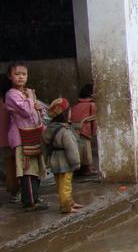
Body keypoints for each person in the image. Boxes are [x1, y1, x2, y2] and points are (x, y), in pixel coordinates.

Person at [3, 62, 49, 211]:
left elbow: (38, 111)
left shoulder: (27, 92)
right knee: (27, 168)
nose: (21, 77)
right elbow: (25, 112)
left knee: (36, 168)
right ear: (10, 77)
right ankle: (29, 201)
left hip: (33, 135)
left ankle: (34, 197)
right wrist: (30, 98)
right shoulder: (11, 94)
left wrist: (37, 107)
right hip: (21, 138)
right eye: (17, 74)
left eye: (24, 74)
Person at [43, 98, 84, 214]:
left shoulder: (49, 129)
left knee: (60, 184)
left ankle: (70, 202)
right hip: (65, 161)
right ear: (65, 113)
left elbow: (45, 145)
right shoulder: (65, 131)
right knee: (66, 185)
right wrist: (76, 163)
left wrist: (46, 160)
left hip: (54, 160)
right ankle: (66, 206)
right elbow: (71, 149)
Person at [71, 83, 98, 176]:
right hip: (84, 129)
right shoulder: (91, 104)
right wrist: (93, 132)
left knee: (78, 150)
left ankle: (80, 169)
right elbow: (93, 120)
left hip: (73, 129)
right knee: (86, 150)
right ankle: (88, 168)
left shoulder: (77, 105)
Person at [0, 94, 20, 205]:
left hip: (4, 140)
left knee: (9, 166)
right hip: (14, 138)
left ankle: (13, 192)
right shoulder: (10, 100)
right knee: (16, 166)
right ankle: (16, 192)